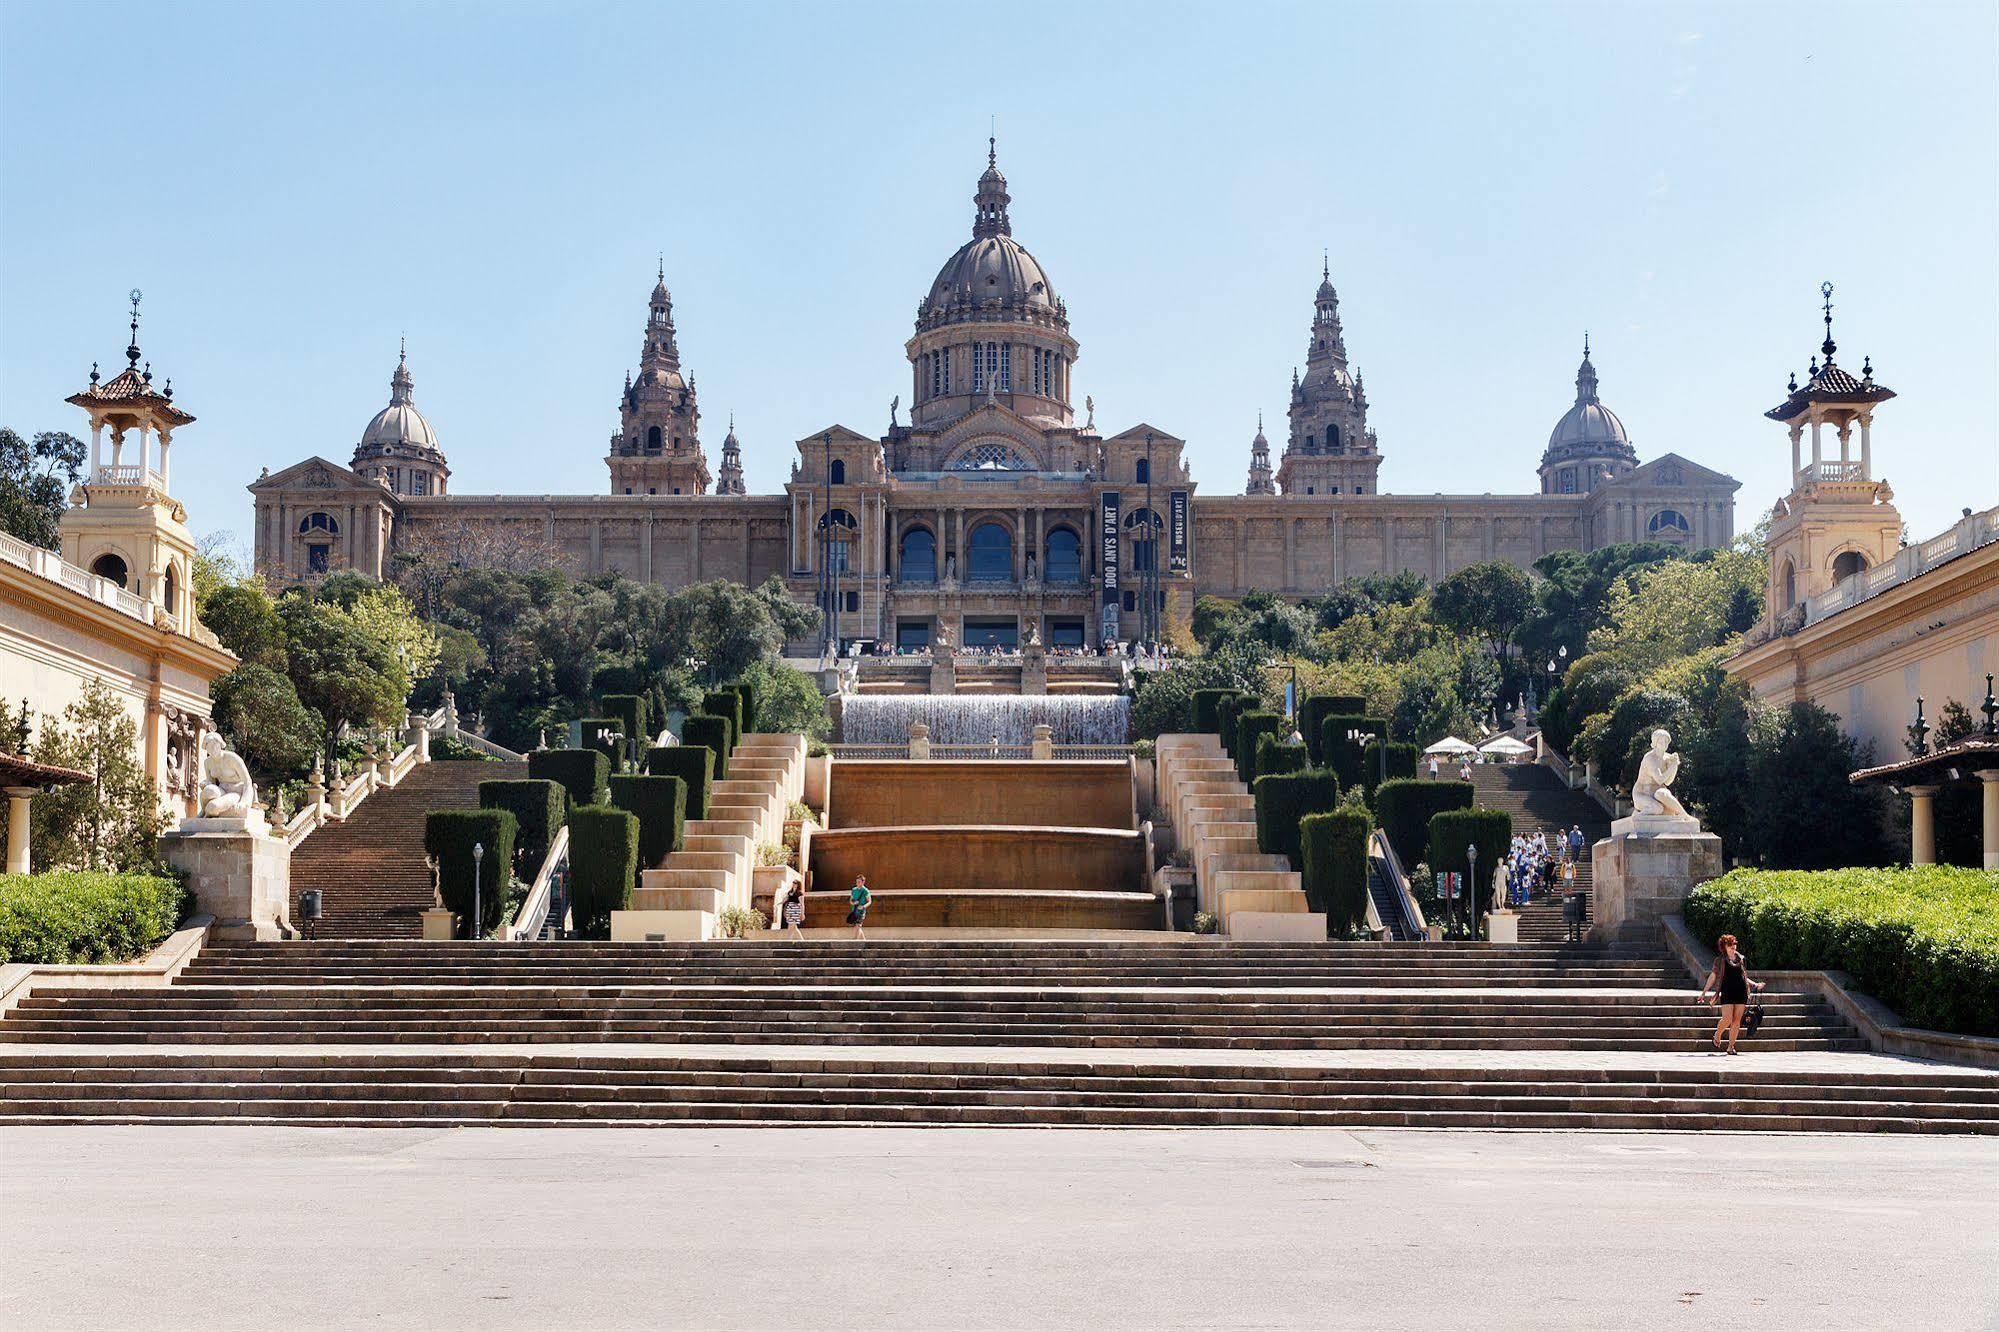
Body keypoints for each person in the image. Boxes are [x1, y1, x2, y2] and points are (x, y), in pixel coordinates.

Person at [1697, 933, 1765, 1054]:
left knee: (1737, 1021)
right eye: (1730, 945)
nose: (1733, 947)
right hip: (1727, 992)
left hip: (1741, 992)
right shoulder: (1720, 960)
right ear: (1724, 946)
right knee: (1727, 1019)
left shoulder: (1740, 959)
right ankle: (1717, 1034)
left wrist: (1755, 984)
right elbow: (1712, 977)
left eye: (1734, 944)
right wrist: (1704, 993)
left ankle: (1731, 1047)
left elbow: (1744, 976)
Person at [848, 873, 872, 941]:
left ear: (863, 882)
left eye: (859, 882)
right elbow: (850, 901)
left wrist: (863, 907)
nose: (857, 883)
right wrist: (853, 903)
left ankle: (855, 939)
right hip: (854, 910)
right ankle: (864, 941)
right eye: (857, 882)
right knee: (857, 925)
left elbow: (869, 901)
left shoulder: (865, 891)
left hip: (861, 911)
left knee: (858, 925)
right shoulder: (854, 890)